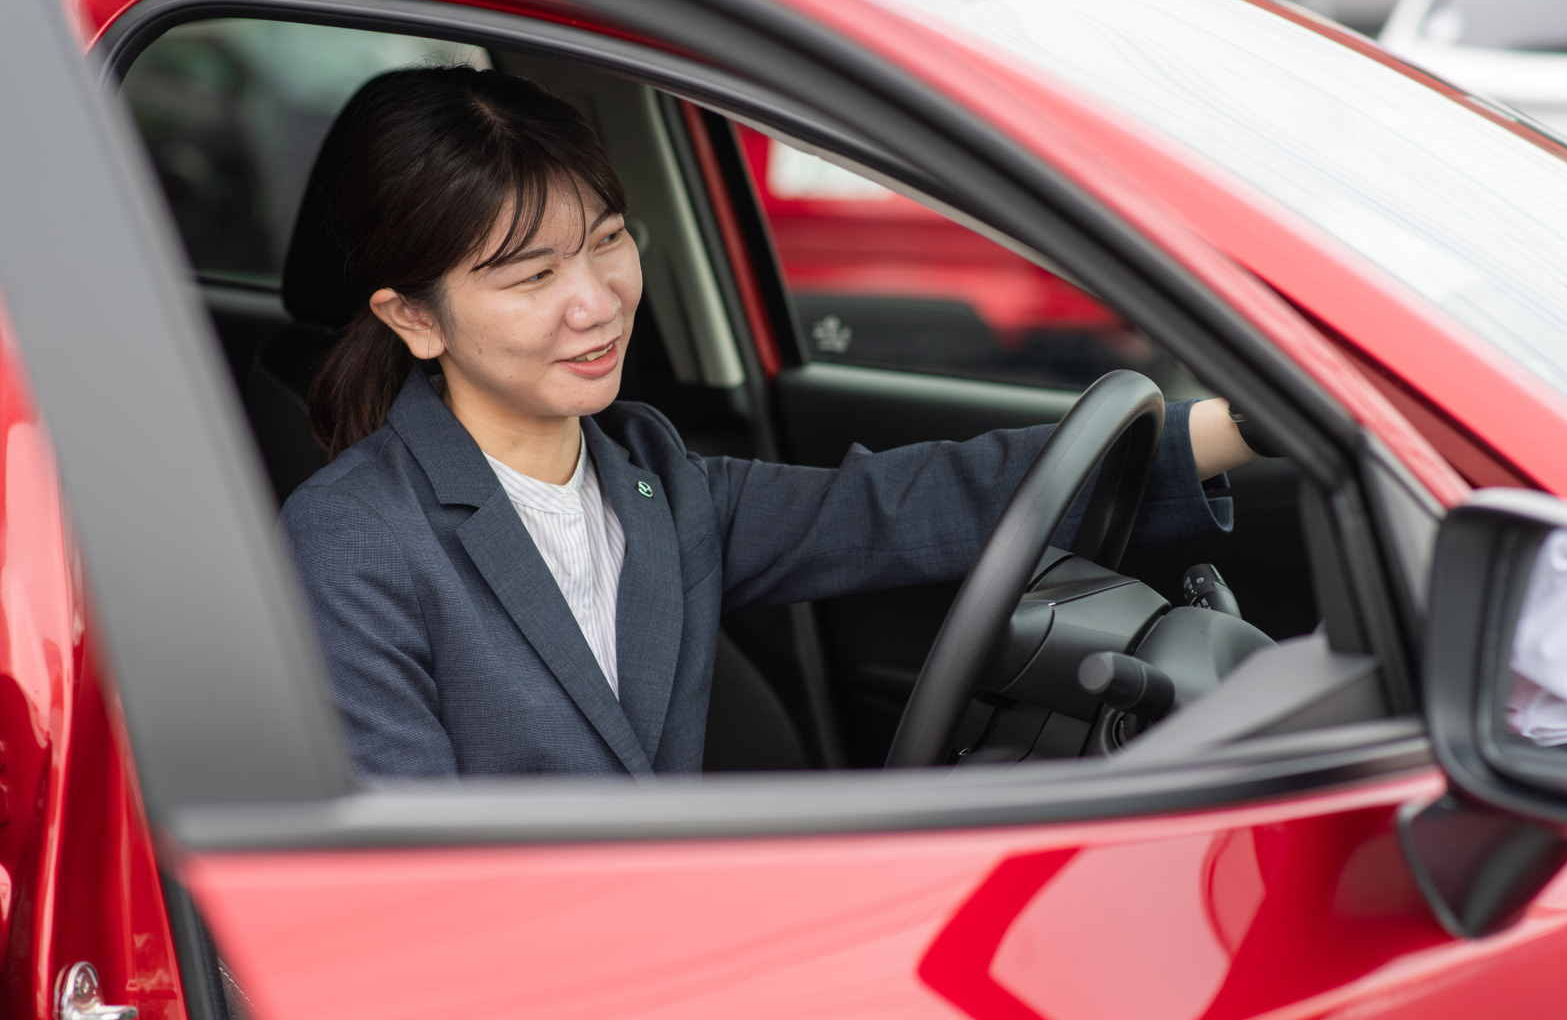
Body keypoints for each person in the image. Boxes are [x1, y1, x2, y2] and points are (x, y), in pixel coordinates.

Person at [281, 66, 1259, 778]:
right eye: (533, 275)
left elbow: (900, 504)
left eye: (610, 242)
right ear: (412, 316)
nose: (597, 301)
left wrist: (1236, 425)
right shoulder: (353, 536)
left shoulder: (653, 479)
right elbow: (398, 885)